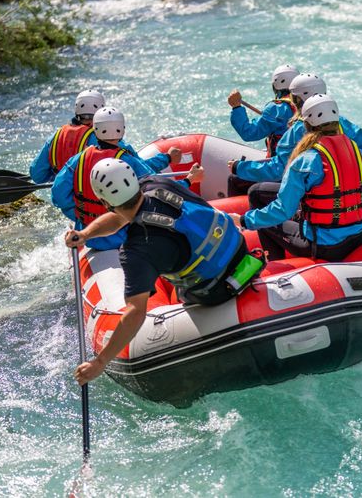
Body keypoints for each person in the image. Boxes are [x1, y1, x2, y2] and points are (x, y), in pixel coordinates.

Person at [66, 158, 263, 385]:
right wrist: (86, 235)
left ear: (104, 202)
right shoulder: (156, 183)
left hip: (215, 290)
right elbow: (121, 215)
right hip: (239, 250)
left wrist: (99, 363)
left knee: (174, 287)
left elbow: (136, 313)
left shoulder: (135, 250)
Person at [229, 94, 362, 262]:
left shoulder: (305, 161)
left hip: (323, 246)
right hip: (360, 236)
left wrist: (245, 220)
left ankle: (274, 264)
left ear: (306, 124)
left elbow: (282, 210)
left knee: (267, 220)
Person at [227, 73, 362, 208]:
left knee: (253, 190)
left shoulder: (296, 130)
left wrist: (239, 167)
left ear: (297, 99)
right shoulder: (341, 122)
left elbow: (279, 169)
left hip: (307, 190)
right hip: (338, 188)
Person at [51, 107, 182, 251]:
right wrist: (186, 180)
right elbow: (157, 187)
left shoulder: (78, 159)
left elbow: (58, 196)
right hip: (124, 235)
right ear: (122, 130)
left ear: (95, 129)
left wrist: (80, 215)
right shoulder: (126, 160)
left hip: (90, 237)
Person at [30, 91, 174, 184]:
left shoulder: (56, 136)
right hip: (102, 200)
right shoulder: (107, 139)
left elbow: (37, 175)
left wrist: (61, 178)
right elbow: (141, 169)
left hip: (76, 199)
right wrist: (166, 158)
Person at [226, 64, 300, 196]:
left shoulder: (277, 108)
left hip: (282, 170)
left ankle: (239, 215)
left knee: (235, 179)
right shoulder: (306, 104)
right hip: (300, 167)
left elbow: (249, 133)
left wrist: (236, 107)